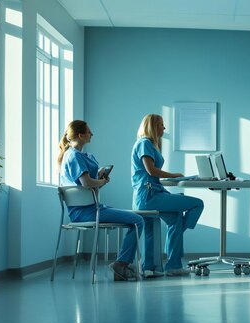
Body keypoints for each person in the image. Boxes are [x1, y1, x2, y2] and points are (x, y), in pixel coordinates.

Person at [58, 120, 145, 282]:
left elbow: (86, 186)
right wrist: (102, 181)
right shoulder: (75, 156)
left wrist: (98, 178)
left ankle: (123, 263)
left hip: (85, 210)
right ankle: (121, 264)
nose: (92, 134)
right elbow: (86, 183)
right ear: (80, 135)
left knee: (132, 220)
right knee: (138, 220)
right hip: (87, 212)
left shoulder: (73, 155)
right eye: (89, 131)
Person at [131, 114, 204, 277]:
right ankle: (172, 261)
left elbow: (150, 173)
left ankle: (151, 268)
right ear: (153, 126)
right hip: (150, 197)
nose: (164, 128)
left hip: (145, 197)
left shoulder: (147, 144)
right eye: (161, 125)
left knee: (174, 220)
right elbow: (151, 170)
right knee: (197, 203)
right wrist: (174, 175)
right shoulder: (145, 143)